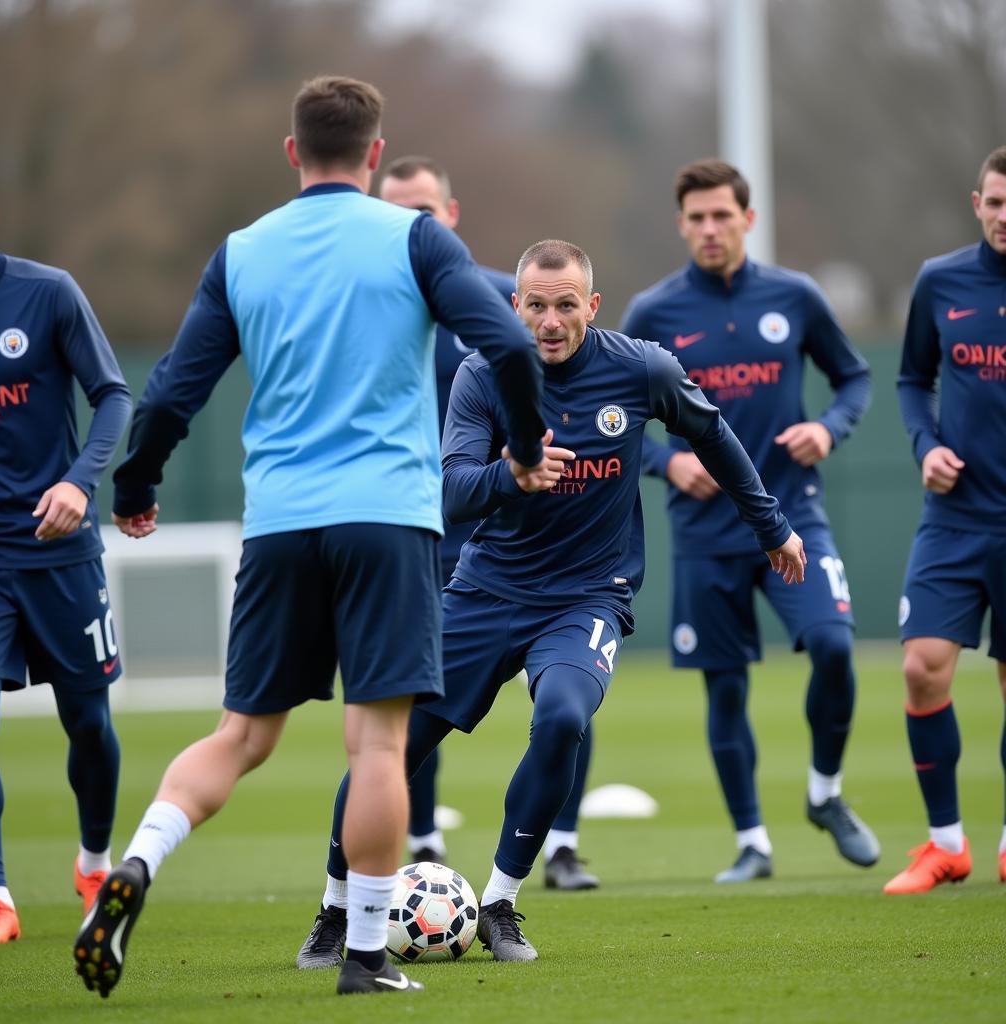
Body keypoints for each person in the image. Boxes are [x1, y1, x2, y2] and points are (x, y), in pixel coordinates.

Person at [71, 75, 545, 998]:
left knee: (241, 735)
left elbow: (172, 391)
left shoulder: (243, 250)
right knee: (376, 746)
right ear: (375, 156)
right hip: (388, 521)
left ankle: (133, 866)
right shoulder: (415, 237)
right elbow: (513, 348)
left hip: (282, 523)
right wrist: (525, 450)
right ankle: (365, 958)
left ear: (293, 154)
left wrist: (133, 485)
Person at [295, 238, 806, 966]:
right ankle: (335, 908)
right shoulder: (483, 375)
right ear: (516, 307)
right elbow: (451, 488)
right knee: (392, 748)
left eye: (567, 305)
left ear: (591, 307)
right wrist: (510, 476)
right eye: (536, 305)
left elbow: (713, 432)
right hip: (484, 591)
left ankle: (501, 901)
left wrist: (772, 527)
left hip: (586, 597)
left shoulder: (642, 368)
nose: (551, 320)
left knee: (563, 715)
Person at [621, 158, 879, 883]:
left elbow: (855, 376)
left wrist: (829, 427)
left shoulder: (794, 296)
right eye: (696, 218)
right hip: (704, 533)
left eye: (722, 216)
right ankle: (753, 843)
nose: (709, 229)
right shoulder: (652, 313)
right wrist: (666, 462)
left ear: (747, 220)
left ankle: (824, 794)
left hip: (793, 516)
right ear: (681, 225)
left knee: (832, 644)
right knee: (725, 685)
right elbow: (603, 416)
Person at [379, 155, 598, 891]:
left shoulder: (507, 302)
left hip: (505, 523)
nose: (413, 223)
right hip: (409, 527)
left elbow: (608, 411)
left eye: (424, 210)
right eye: (396, 210)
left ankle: (558, 844)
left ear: (452, 213)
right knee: (410, 707)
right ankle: (417, 840)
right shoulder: (367, 300)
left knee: (564, 688)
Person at [0, 162, 132, 944]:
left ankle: (94, 861)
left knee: (89, 723)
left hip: (60, 548)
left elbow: (113, 394)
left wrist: (79, 483)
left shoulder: (46, 294)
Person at [884, 145, 1006, 894]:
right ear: (977, 203)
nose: (1005, 217)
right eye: (996, 202)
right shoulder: (942, 280)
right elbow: (909, 378)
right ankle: (946, 845)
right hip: (954, 518)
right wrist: (926, 444)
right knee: (922, 666)